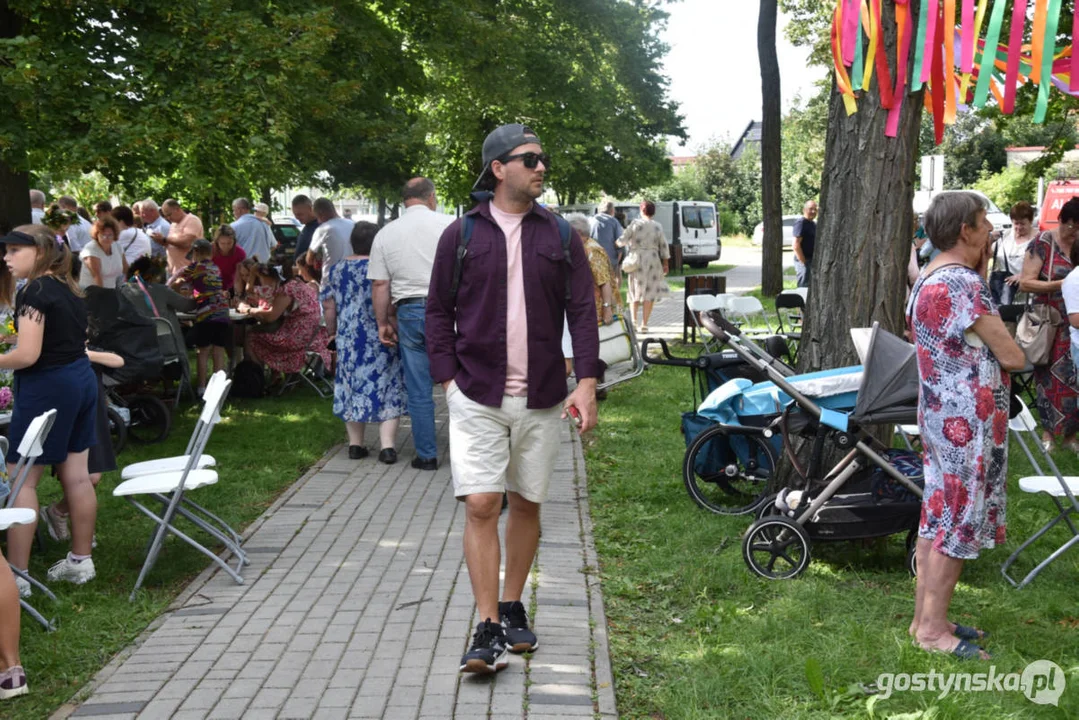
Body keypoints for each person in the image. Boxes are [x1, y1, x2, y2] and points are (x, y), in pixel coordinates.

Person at [426, 123, 600, 674]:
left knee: (526, 501)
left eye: (543, 158)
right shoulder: (462, 235)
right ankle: (486, 626)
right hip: (476, 392)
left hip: (544, 396)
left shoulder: (560, 235)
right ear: (499, 169)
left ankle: (512, 603)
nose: (541, 167)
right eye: (529, 159)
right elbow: (436, 312)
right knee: (482, 503)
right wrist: (448, 381)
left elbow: (584, 312)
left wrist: (589, 382)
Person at [906, 191, 1025, 660]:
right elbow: (1012, 356)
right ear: (965, 231)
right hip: (968, 423)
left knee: (936, 516)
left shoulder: (929, 274)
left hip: (940, 415)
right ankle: (933, 631)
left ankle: (925, 620)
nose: (989, 231)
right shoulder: (963, 284)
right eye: (983, 223)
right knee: (956, 521)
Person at [0, 225, 99, 592]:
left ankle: (18, 577)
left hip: (48, 388)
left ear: (39, 252)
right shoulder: (65, 287)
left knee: (22, 476)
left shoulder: (34, 291)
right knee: (76, 474)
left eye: (13, 251)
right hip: (79, 381)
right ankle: (80, 561)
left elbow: (28, 356)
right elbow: (60, 338)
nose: (6, 258)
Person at [368, 177, 454, 471]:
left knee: (418, 390)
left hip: (410, 312)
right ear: (431, 197)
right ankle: (469, 451)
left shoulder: (386, 234)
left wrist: (382, 323)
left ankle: (427, 455)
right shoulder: (450, 226)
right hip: (451, 311)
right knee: (462, 383)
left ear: (405, 200)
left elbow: (380, 283)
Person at [323, 221, 408, 463]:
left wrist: (332, 332)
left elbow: (329, 305)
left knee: (352, 387)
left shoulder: (337, 269)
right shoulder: (381, 268)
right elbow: (390, 303)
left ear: (353, 242)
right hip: (381, 336)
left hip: (350, 338)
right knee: (388, 386)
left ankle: (355, 446)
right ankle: (388, 448)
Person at [1019, 196, 1079, 451]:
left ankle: (1071, 437)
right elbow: (1025, 281)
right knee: (1050, 379)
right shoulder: (1042, 243)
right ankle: (1048, 434)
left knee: (1073, 380)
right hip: (1050, 321)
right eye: (1071, 226)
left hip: (1074, 322)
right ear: (1063, 221)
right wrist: (1059, 284)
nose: (1074, 232)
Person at [240, 263, 331, 378]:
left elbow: (271, 317)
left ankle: (257, 379)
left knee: (251, 336)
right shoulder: (298, 284)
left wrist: (248, 310)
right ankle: (275, 376)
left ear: (271, 278)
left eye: (261, 279)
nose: (262, 283)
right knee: (266, 330)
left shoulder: (286, 290)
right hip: (314, 335)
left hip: (298, 338)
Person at [169, 240, 230, 395]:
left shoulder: (195, 267)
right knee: (218, 351)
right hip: (222, 311)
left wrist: (174, 288)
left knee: (202, 352)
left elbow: (177, 282)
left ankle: (202, 388)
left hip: (207, 312)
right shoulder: (215, 267)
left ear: (196, 252)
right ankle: (218, 389)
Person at [563, 213, 617, 376]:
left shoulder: (592, 250)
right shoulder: (583, 248)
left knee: (593, 346)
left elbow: (604, 281)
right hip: (590, 304)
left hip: (598, 306)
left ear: (577, 233)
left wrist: (607, 308)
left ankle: (596, 383)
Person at [617, 199, 669, 333]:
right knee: (649, 293)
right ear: (653, 212)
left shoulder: (635, 224)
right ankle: (644, 325)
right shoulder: (658, 226)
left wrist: (618, 243)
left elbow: (622, 241)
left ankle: (634, 322)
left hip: (637, 260)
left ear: (641, 210)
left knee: (635, 289)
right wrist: (665, 263)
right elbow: (663, 245)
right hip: (653, 260)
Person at [989, 201, 1036, 306]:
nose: (1018, 227)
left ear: (1031, 221)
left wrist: (1023, 276)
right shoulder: (1003, 237)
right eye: (1016, 223)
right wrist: (989, 240)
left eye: (1023, 224)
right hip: (1001, 293)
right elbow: (987, 255)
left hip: (1026, 297)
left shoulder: (1039, 240)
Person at [308, 198, 352, 292]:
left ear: (321, 214)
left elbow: (309, 259)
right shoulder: (353, 224)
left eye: (317, 217)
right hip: (352, 277)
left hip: (331, 280)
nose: (318, 221)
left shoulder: (323, 229)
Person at [154, 199, 203, 277]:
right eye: (165, 216)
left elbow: (186, 243)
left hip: (187, 271)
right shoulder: (173, 224)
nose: (168, 218)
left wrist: (165, 239)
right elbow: (171, 244)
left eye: (169, 214)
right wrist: (159, 240)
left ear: (178, 209)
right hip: (172, 270)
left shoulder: (192, 220)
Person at [79, 216, 128, 289]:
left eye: (110, 235)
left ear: (115, 235)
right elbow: (97, 277)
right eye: (103, 234)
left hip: (113, 290)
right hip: (92, 291)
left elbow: (126, 269)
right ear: (97, 234)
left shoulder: (117, 246)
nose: (106, 238)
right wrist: (103, 296)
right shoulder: (90, 249)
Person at [230, 198, 276, 262]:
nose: (233, 213)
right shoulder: (265, 224)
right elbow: (273, 245)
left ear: (239, 210)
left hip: (244, 267)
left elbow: (228, 249)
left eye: (234, 210)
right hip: (263, 266)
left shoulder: (233, 226)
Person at [589, 201, 624, 283]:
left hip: (593, 258)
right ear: (612, 211)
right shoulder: (614, 222)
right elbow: (620, 243)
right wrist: (617, 262)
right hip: (610, 259)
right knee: (610, 286)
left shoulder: (590, 220)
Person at [210, 224, 247, 294]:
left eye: (229, 243)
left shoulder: (240, 253)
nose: (226, 246)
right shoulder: (209, 251)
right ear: (217, 242)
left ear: (234, 241)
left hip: (231, 287)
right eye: (222, 243)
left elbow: (239, 277)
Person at [792, 199, 818, 288]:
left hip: (811, 260)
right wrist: (803, 261)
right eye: (811, 209)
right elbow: (796, 245)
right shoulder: (801, 223)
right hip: (803, 261)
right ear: (804, 210)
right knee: (803, 287)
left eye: (815, 209)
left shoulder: (813, 224)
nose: (813, 211)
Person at [291, 194, 320, 261]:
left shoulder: (320, 228)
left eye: (300, 214)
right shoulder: (307, 227)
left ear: (310, 209)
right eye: (295, 214)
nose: (297, 218)